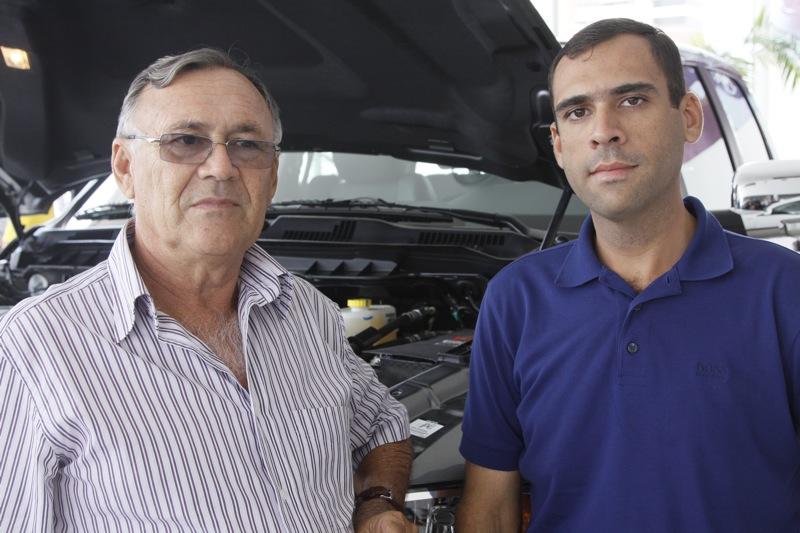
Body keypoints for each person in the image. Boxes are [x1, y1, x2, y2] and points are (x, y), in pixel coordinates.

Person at [0, 48, 415, 532]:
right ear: (125, 167)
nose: (221, 167)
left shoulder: (307, 312)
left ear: (272, 175)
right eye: (185, 140)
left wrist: (378, 504)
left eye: (247, 145)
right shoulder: (32, 350)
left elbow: (382, 426)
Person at [457, 18, 800, 532]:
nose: (604, 131)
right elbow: (489, 509)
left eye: (632, 99)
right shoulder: (515, 300)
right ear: (558, 144)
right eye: (578, 112)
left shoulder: (785, 290)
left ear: (688, 117)